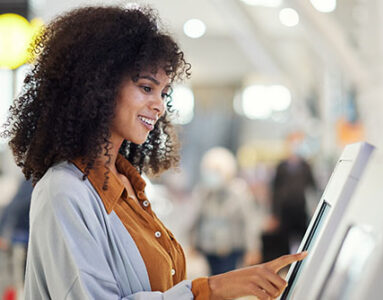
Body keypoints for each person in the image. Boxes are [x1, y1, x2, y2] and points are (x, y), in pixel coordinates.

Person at [2, 5, 306, 300]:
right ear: (99, 86)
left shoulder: (127, 183)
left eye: (163, 93)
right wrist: (210, 290)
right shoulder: (64, 190)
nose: (159, 105)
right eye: (147, 88)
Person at [192, 147, 262, 275]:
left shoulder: (239, 192)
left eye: (216, 171)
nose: (212, 175)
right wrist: (192, 243)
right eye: (210, 170)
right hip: (209, 249)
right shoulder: (203, 192)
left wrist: (253, 248)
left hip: (232, 249)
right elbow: (194, 219)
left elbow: (250, 222)